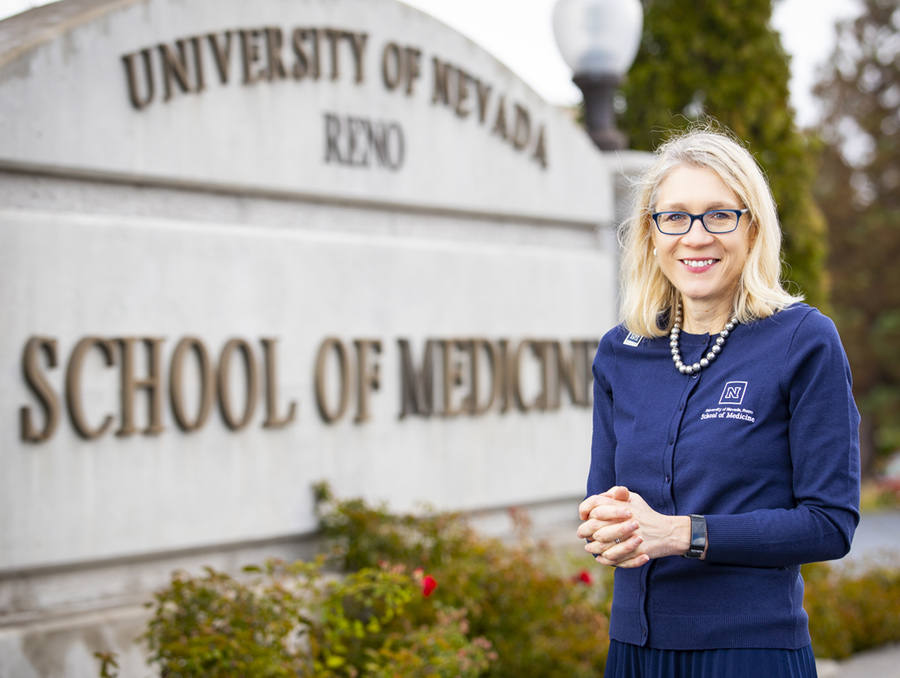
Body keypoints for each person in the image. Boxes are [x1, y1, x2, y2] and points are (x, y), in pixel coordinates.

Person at [577, 127, 860, 678]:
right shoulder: (621, 351)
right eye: (676, 217)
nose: (696, 235)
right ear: (651, 234)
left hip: (747, 652)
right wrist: (602, 525)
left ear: (752, 228)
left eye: (719, 215)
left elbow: (830, 522)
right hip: (634, 651)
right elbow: (603, 498)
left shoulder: (803, 340)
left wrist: (680, 533)